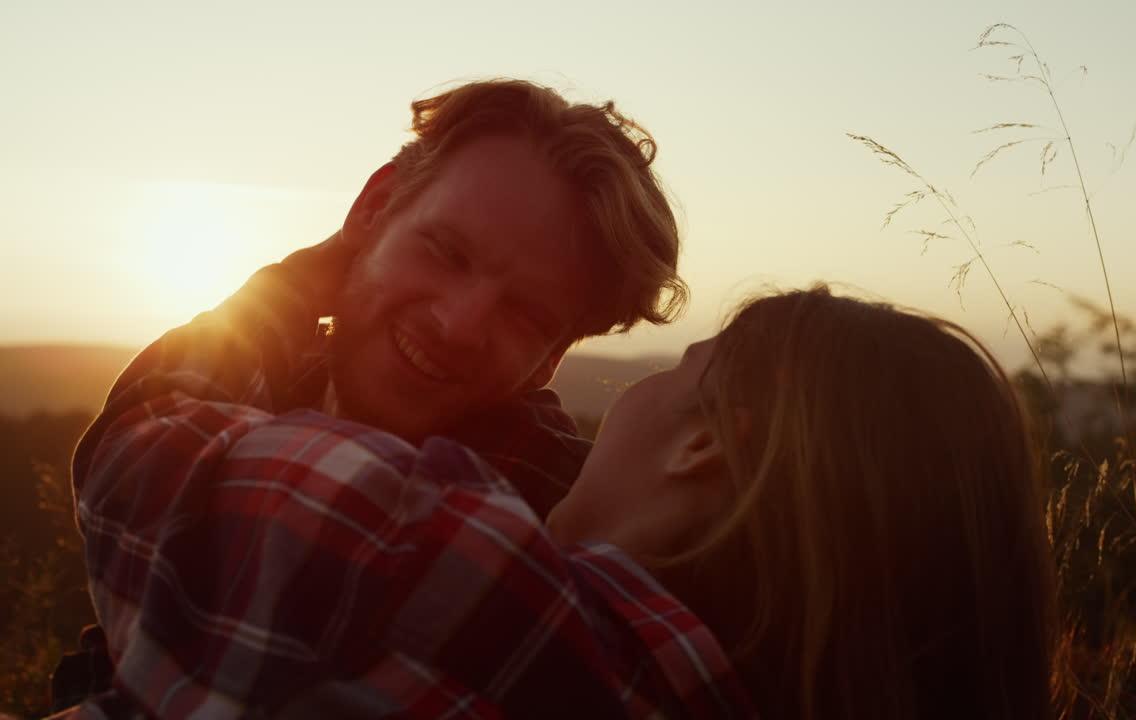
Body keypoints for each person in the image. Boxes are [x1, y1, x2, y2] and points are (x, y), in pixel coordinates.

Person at [64, 284, 1055, 719]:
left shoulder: (482, 597)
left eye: (680, 366)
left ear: (709, 442)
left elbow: (158, 451)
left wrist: (280, 297)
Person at [55, 78, 687, 713]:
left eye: (525, 315)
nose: (458, 325)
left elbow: (145, 453)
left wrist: (295, 281)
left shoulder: (547, 510)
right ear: (373, 207)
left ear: (548, 359)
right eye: (446, 252)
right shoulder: (272, 387)